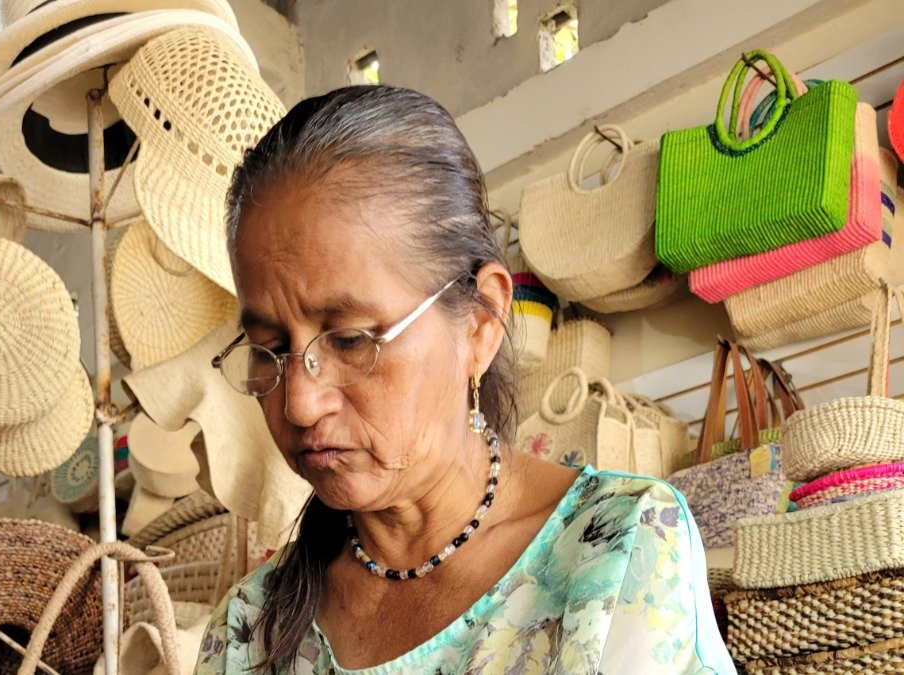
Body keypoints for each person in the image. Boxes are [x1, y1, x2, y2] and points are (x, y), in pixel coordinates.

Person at [197, 85, 734, 674]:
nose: (299, 403)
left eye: (349, 339)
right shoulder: (251, 627)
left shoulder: (617, 551)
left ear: (480, 323)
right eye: (268, 349)